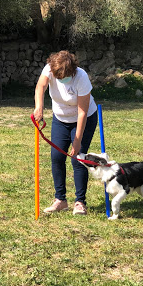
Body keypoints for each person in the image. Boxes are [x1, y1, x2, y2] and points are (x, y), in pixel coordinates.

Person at [33, 50, 98, 215]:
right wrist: (39, 107)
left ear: (71, 72)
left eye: (63, 77)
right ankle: (60, 200)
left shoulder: (81, 78)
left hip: (83, 119)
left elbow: (82, 112)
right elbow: (40, 86)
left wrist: (77, 140)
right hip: (60, 119)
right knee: (57, 157)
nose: (60, 79)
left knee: (78, 159)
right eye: (57, 76)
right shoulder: (50, 68)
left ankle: (80, 202)